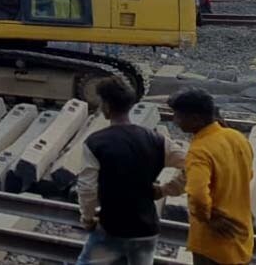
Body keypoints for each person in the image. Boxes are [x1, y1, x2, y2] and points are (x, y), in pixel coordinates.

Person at [76, 78, 186, 265]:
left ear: (107, 106)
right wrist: (168, 189)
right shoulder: (157, 140)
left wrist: (87, 218)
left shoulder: (96, 143)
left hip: (112, 228)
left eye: (102, 103)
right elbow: (194, 164)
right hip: (146, 230)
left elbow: (87, 189)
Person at [161, 88, 254, 265]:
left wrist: (208, 218)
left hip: (213, 241)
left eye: (179, 116)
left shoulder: (200, 150)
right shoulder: (237, 137)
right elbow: (247, 175)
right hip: (241, 232)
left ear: (196, 119)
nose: (175, 121)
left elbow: (197, 194)